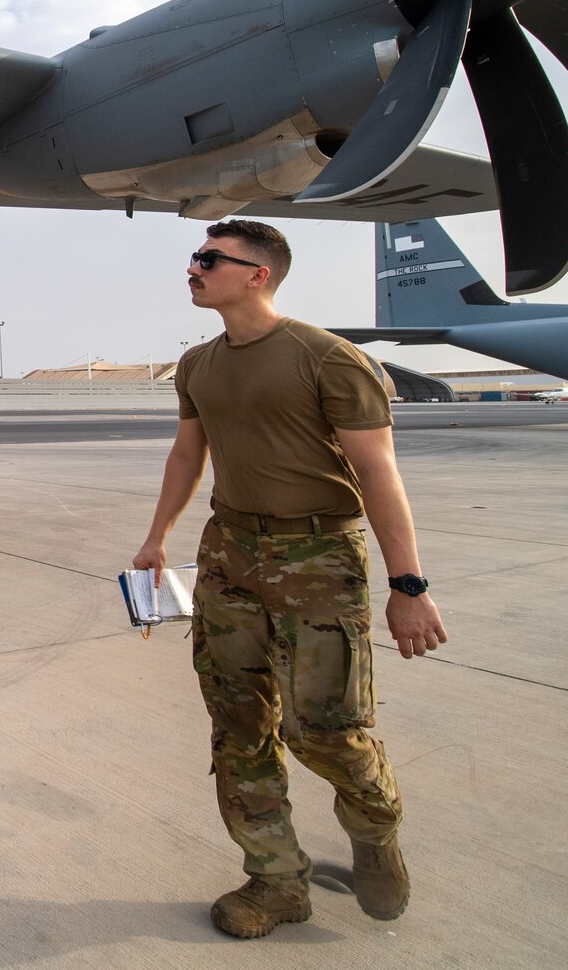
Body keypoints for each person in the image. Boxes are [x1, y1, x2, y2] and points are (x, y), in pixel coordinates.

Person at [131, 219, 448, 939]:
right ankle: (275, 880)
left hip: (319, 560)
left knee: (327, 730)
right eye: (193, 256)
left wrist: (408, 585)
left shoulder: (330, 359)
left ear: (258, 274)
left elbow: (378, 474)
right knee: (239, 726)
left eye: (209, 258)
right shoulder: (198, 364)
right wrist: (156, 540)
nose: (193, 267)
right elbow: (188, 456)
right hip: (229, 555)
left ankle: (375, 827)